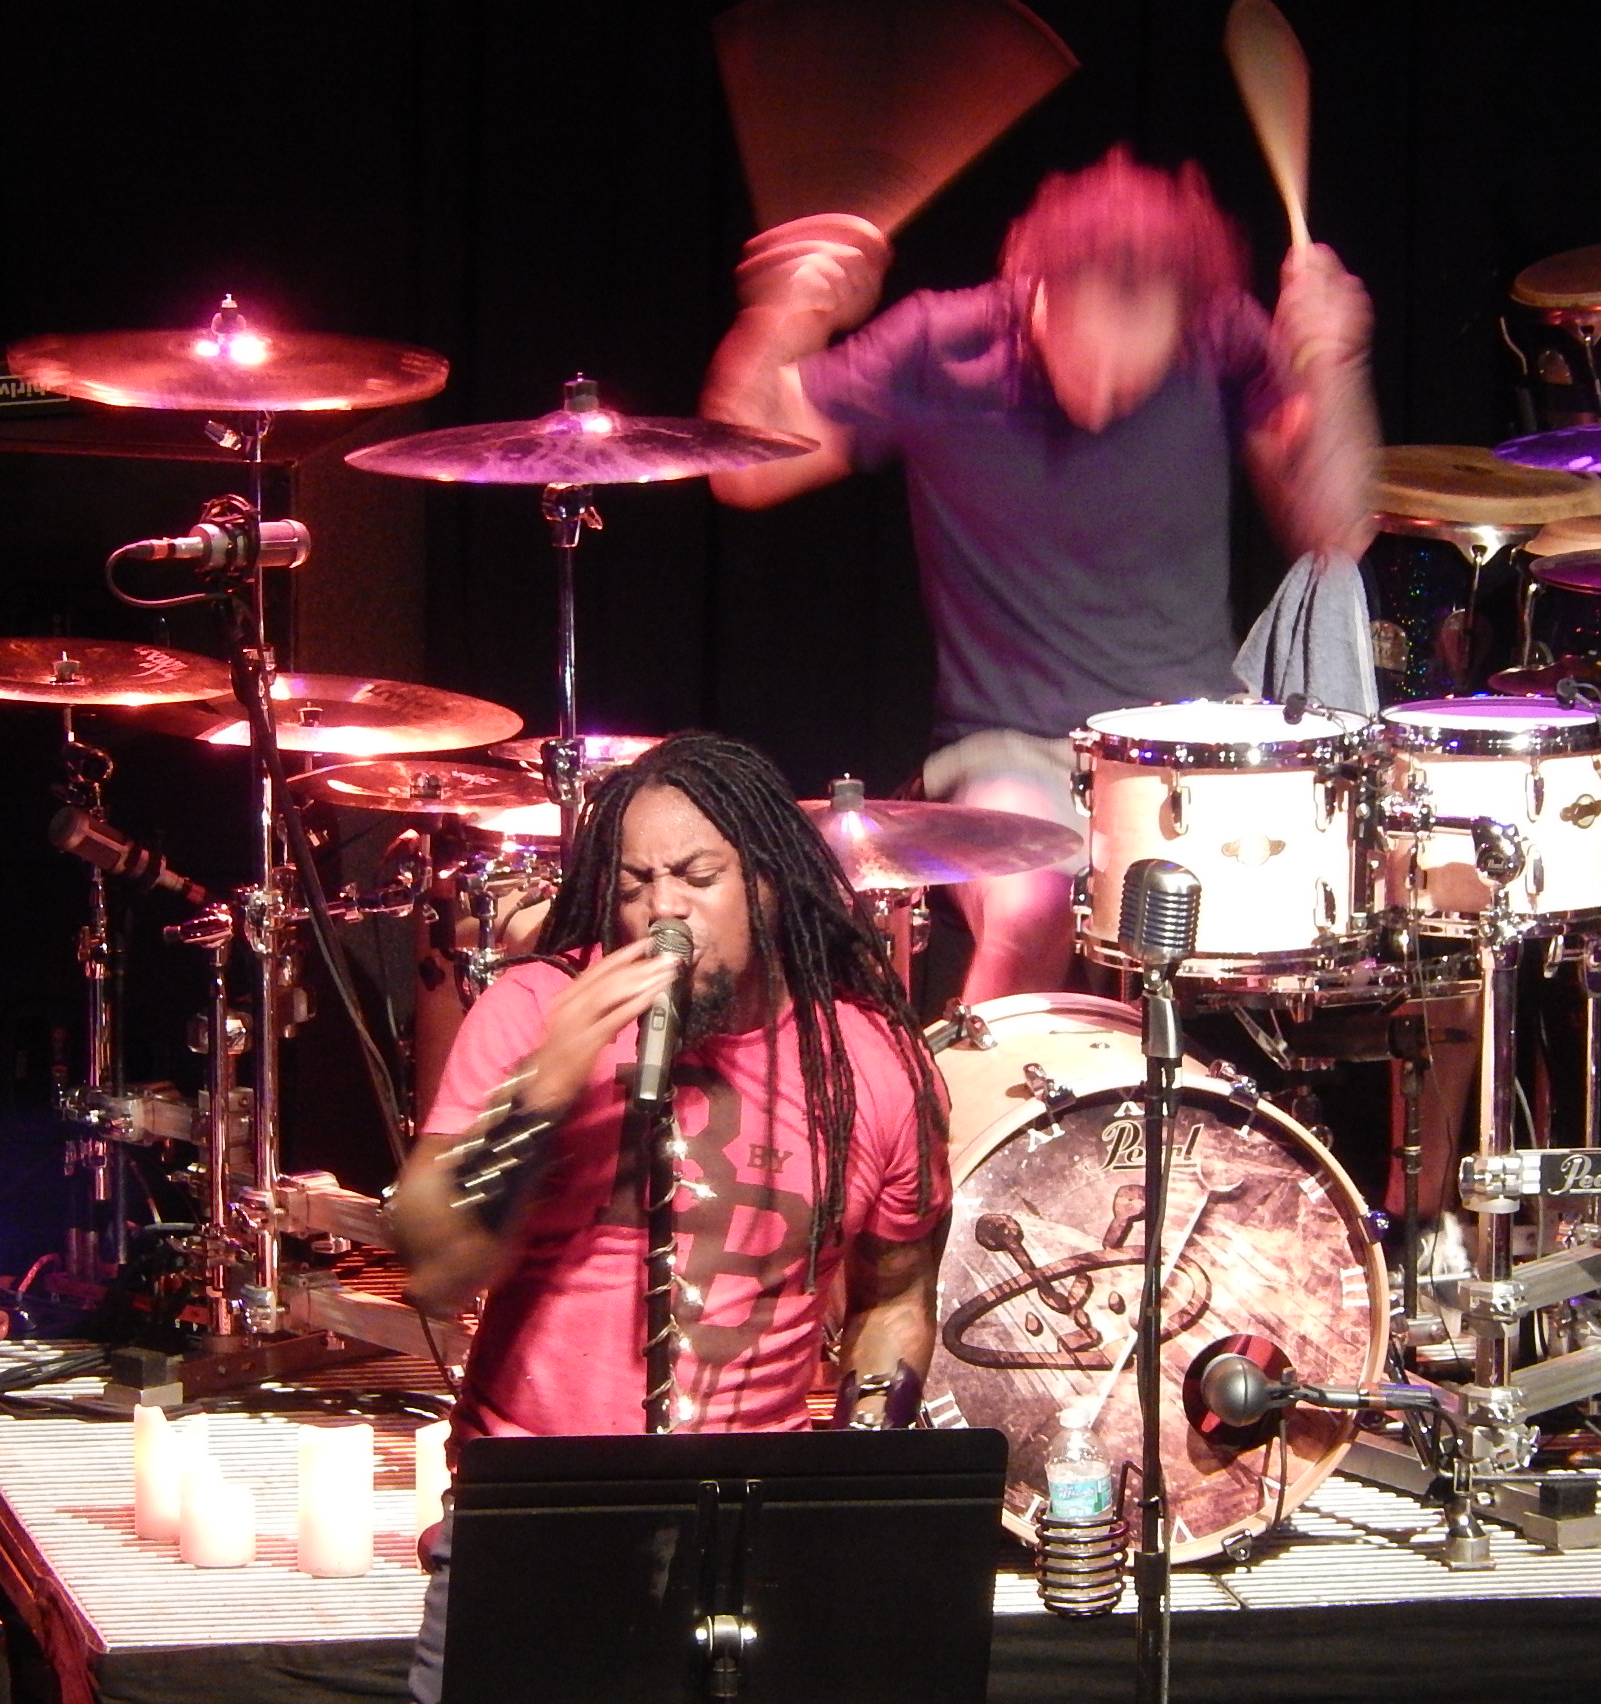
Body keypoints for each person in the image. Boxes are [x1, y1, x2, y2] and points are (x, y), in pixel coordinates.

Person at [702, 147, 1381, 1003]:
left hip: (1191, 751)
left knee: (1381, 911)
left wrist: (1331, 363)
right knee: (1033, 905)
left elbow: (1336, 530)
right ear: (1037, 290)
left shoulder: (1221, 337)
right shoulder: (943, 342)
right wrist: (789, 314)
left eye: (1138, 362)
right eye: (1089, 349)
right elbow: (743, 472)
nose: (1106, 387)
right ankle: (978, 1091)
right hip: (1006, 749)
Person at [386, 730, 950, 1701]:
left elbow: (894, 1297)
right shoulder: (533, 1009)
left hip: (752, 1532)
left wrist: (856, 1497)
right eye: (636, 884)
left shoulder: (872, 1063)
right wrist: (546, 1086)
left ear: (768, 883)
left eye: (697, 877)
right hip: (533, 1529)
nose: (663, 910)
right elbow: (435, 1269)